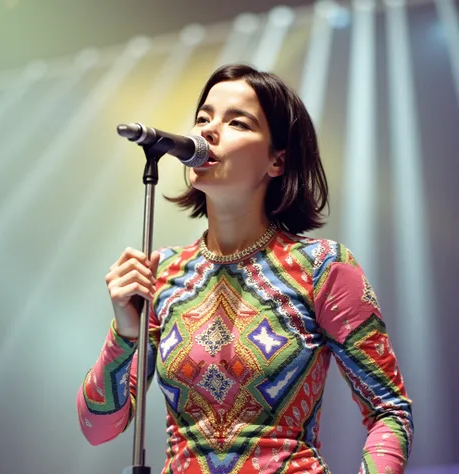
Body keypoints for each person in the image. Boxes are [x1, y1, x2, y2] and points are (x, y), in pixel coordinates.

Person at [76, 64, 414, 473]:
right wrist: (123, 335)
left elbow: (390, 411)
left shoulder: (323, 267)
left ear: (278, 160)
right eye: (203, 118)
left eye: (237, 122)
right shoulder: (162, 272)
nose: (208, 132)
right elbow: (98, 429)